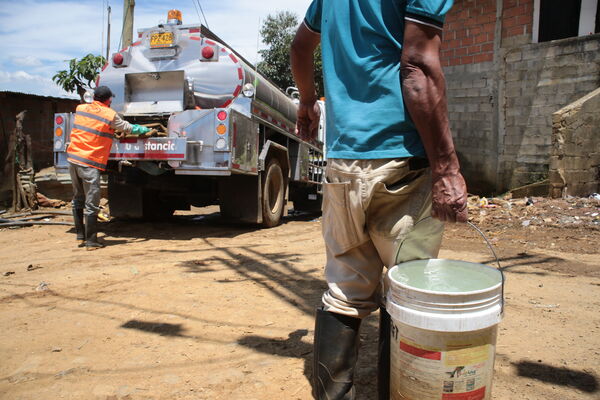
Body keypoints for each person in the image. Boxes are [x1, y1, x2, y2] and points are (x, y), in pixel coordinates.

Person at [291, 0, 468, 398]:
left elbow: (300, 47)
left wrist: (307, 101)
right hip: (400, 159)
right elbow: (418, 67)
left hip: (342, 160)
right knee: (409, 288)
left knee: (344, 292)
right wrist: (446, 168)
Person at [66, 86, 150, 250]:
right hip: (89, 161)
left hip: (73, 158)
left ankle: (80, 235)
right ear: (108, 99)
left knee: (78, 197)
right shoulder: (109, 114)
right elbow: (126, 127)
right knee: (92, 201)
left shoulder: (81, 108)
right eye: (111, 99)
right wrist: (143, 129)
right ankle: (91, 241)